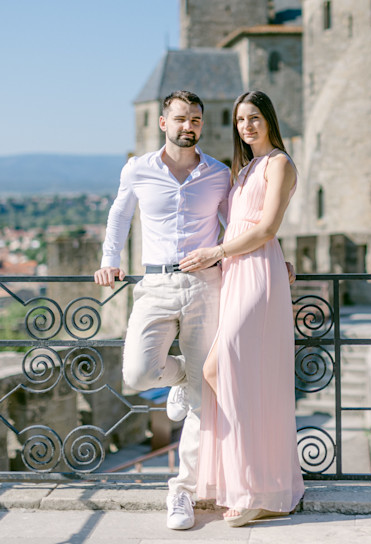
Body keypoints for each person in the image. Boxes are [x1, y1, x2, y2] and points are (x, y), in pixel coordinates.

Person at [94, 90, 230, 531]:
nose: (188, 125)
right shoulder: (138, 168)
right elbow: (119, 214)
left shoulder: (219, 174)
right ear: (162, 122)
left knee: (202, 401)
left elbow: (239, 226)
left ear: (201, 125)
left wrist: (274, 259)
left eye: (195, 119)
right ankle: (183, 378)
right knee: (136, 373)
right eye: (180, 118)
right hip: (153, 284)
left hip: (205, 285)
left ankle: (182, 492)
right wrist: (109, 259)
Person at [179, 90, 305, 528]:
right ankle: (247, 482)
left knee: (225, 367)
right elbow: (247, 224)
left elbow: (267, 226)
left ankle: (258, 489)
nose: (247, 126)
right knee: (231, 372)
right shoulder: (245, 168)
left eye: (254, 118)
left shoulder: (280, 164)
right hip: (238, 271)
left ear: (269, 120)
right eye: (239, 120)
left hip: (254, 274)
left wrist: (217, 252)